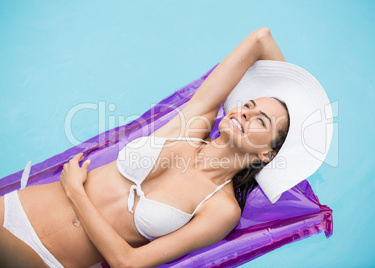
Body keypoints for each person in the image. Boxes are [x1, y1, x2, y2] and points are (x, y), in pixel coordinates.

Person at [0, 27, 330, 268]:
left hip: (48, 259)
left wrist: (75, 192)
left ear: (266, 155)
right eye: (249, 104)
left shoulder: (221, 210)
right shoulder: (191, 125)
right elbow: (261, 39)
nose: (244, 112)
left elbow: (128, 262)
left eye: (260, 121)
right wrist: (297, 108)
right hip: (16, 207)